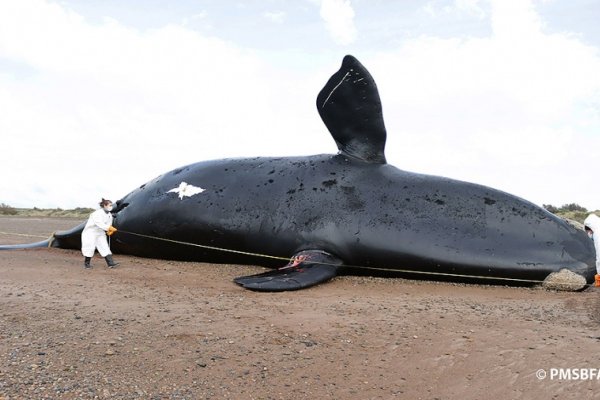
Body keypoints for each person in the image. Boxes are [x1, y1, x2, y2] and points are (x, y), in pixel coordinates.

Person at [81, 198, 118, 269]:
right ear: (105, 205)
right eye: (110, 205)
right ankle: (87, 264)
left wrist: (109, 230)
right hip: (91, 232)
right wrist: (108, 228)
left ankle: (111, 264)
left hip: (100, 233)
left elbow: (108, 224)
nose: (111, 207)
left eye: (111, 205)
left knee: (104, 246)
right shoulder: (97, 213)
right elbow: (99, 223)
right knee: (90, 247)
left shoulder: (109, 215)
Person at [584, 213, 600, 287]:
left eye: (587, 232)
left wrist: (599, 274)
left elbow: (599, 255)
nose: (588, 234)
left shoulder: (597, 235)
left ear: (590, 230)